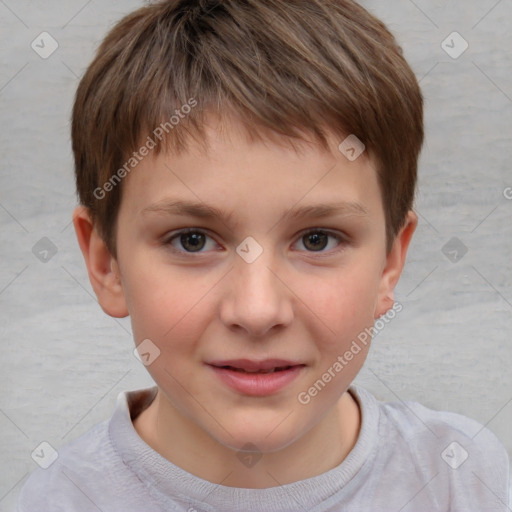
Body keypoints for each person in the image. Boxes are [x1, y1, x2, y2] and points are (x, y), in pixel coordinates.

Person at [17, 0, 510, 510]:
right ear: (106, 265)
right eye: (192, 240)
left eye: (317, 239)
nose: (257, 311)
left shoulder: (463, 478)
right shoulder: (59, 501)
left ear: (389, 265)